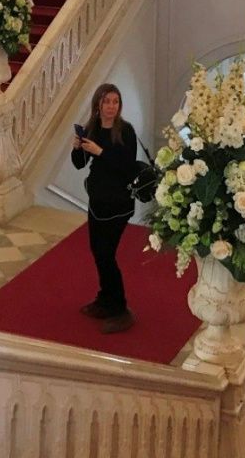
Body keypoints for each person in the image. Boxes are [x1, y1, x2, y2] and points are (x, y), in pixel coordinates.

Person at [71, 83, 138, 334]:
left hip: (119, 203)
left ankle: (119, 306)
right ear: (97, 104)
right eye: (106, 101)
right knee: (97, 251)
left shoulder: (126, 131)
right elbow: (80, 164)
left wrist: (100, 151)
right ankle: (105, 298)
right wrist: (77, 148)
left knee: (107, 253)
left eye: (115, 102)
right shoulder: (93, 128)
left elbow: (127, 167)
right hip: (98, 200)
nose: (111, 106)